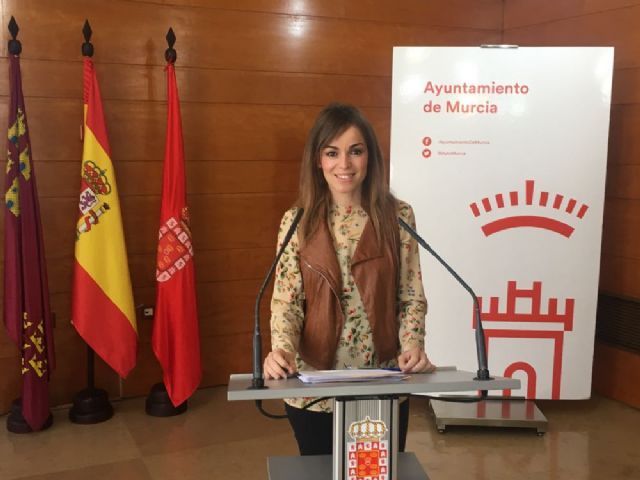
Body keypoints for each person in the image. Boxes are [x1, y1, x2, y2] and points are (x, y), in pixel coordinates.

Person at [263, 102, 433, 456]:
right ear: (318, 160)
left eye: (355, 151)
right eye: (332, 153)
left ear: (370, 157)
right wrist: (281, 349)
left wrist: (413, 344)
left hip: (381, 380)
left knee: (374, 474)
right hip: (313, 387)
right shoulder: (296, 222)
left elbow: (410, 296)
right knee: (318, 473)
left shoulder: (398, 216)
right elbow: (287, 303)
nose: (344, 164)